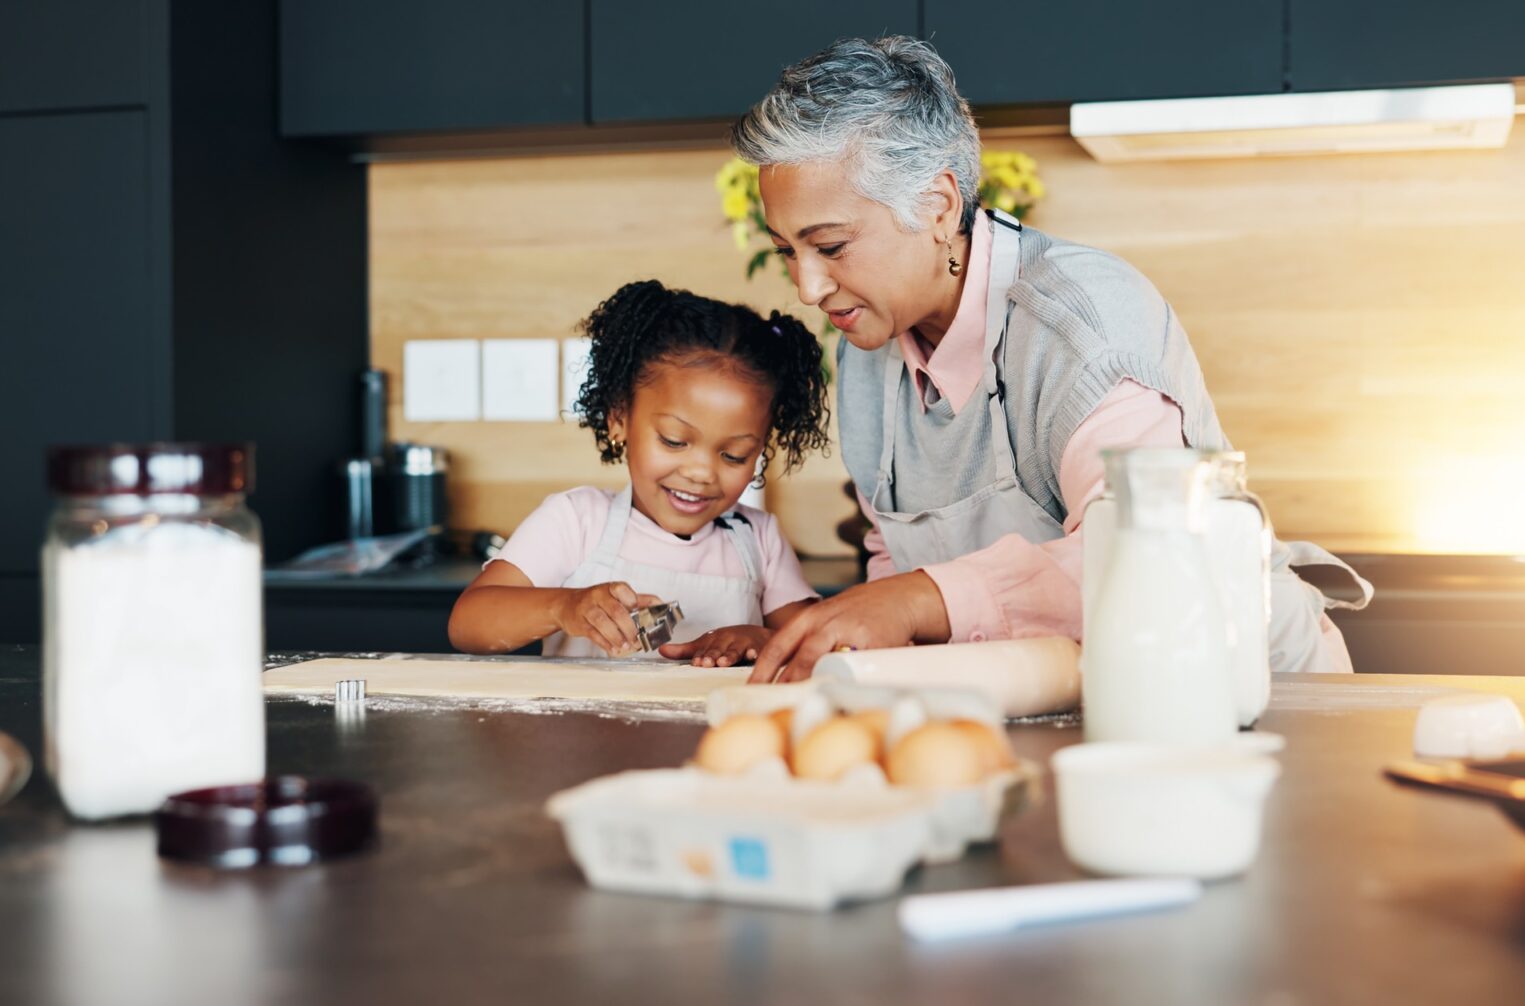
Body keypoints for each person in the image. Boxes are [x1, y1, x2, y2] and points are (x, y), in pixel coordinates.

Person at [730, 36, 1371, 684]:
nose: (808, 288)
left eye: (832, 247)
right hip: (1075, 694)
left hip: (1248, 689)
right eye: (787, 250)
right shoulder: (869, 348)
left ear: (939, 206)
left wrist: (918, 600)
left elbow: (1145, 555)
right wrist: (836, 643)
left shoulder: (1083, 324)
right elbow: (892, 559)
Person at [448, 280, 830, 664]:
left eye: (734, 455)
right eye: (674, 441)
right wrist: (564, 607)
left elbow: (822, 642)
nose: (701, 473)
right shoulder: (576, 521)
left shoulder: (758, 540)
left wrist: (763, 638)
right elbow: (468, 624)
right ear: (619, 418)